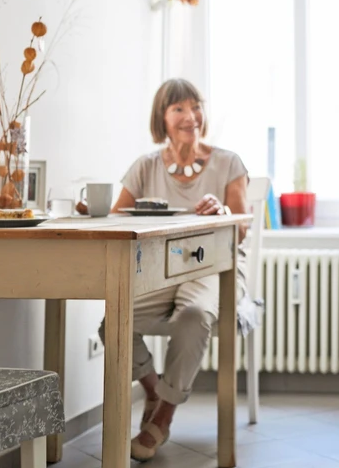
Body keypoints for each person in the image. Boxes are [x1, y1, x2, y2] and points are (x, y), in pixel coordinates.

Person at [101, 78, 249, 461]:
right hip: (160, 271)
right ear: (162, 118)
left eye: (195, 106)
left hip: (214, 269)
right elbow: (117, 220)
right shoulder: (146, 166)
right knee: (113, 323)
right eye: (179, 108)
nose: (191, 116)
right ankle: (154, 391)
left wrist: (224, 211)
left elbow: (243, 227)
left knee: (194, 317)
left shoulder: (227, 162)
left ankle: (162, 418)